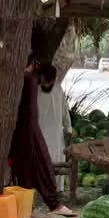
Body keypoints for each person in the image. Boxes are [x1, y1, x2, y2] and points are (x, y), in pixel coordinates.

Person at [9, 54, 76, 217]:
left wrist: (68, 127)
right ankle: (50, 204)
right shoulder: (30, 81)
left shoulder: (29, 81)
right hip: (30, 131)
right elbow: (30, 112)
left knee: (29, 168)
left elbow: (62, 111)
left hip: (31, 132)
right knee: (39, 167)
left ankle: (43, 204)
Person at [37, 63, 73, 193]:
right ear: (40, 78)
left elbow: (65, 114)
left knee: (58, 163)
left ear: (54, 79)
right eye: (44, 82)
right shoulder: (34, 92)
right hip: (39, 136)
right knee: (40, 164)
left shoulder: (58, 91)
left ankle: (57, 191)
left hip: (57, 138)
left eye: (49, 82)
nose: (47, 85)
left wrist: (69, 131)